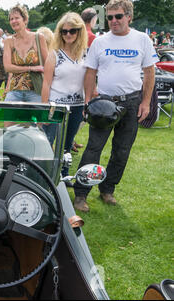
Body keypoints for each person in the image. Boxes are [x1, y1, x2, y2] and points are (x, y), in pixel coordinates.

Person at [73, 0, 158, 212]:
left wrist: (146, 102)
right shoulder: (100, 42)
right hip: (105, 102)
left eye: (118, 16)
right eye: (109, 17)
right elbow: (90, 72)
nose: (113, 21)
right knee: (93, 148)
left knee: (122, 150)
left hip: (132, 102)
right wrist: (87, 101)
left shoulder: (142, 39)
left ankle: (107, 189)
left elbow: (149, 72)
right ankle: (81, 194)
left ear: (129, 16)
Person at [41, 12, 88, 183]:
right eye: (64, 31)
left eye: (72, 31)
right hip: (56, 106)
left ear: (79, 31)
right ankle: (44, 175)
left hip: (77, 106)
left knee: (67, 144)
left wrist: (87, 103)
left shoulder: (86, 54)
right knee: (47, 142)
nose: (68, 34)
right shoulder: (54, 54)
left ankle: (64, 175)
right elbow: (46, 83)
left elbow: (90, 80)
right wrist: (45, 109)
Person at [3, 5, 48, 113]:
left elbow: (47, 64)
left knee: (37, 126)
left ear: (25, 19)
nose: (13, 21)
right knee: (8, 126)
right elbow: (8, 67)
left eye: (16, 18)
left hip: (36, 89)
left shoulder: (39, 37)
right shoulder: (9, 41)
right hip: (14, 90)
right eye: (11, 19)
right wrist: (31, 68)